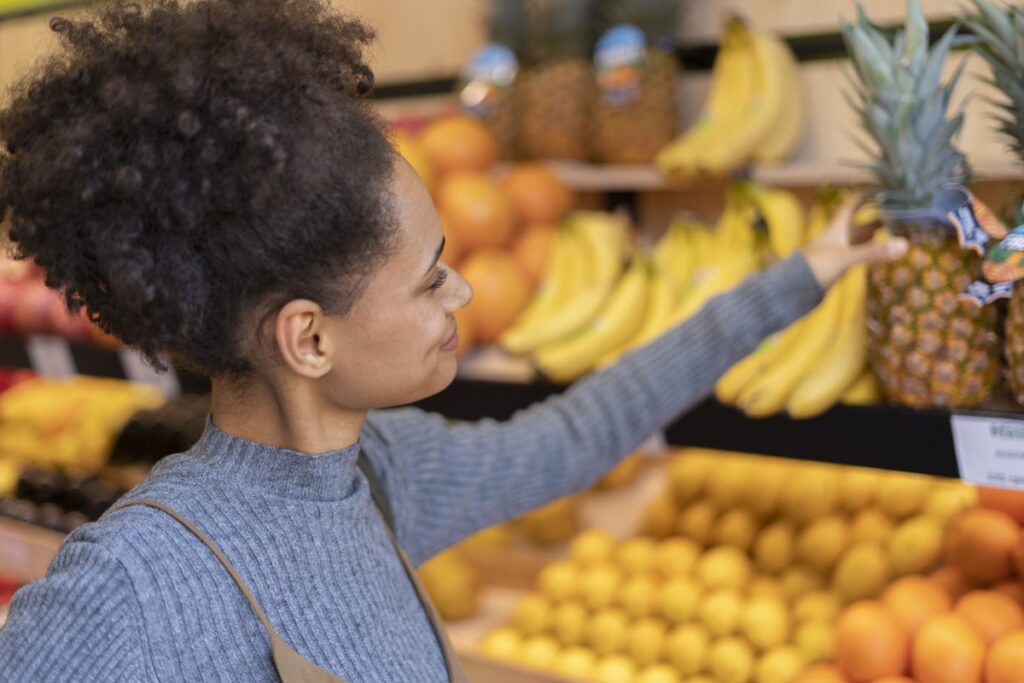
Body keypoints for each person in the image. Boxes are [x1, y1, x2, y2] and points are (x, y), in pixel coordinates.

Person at [0, 0, 906, 681]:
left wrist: (807, 272)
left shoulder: (383, 472)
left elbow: (584, 429)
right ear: (308, 338)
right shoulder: (129, 589)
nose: (463, 290)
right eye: (431, 277)